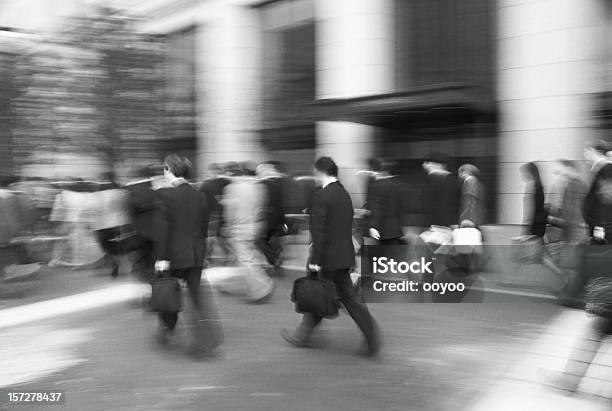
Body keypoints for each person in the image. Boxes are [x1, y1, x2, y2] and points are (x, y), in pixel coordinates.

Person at [281, 157, 380, 357]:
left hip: (327, 258)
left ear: (320, 172)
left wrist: (316, 261)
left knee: (317, 292)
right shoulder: (343, 194)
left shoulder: (322, 196)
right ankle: (372, 337)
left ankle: (303, 336)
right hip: (344, 256)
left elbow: (319, 233)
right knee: (347, 298)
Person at [153, 154, 223, 358]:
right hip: (195, 253)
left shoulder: (164, 194)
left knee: (167, 293)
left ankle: (166, 331)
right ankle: (206, 345)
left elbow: (162, 231)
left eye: (164, 169)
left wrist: (161, 259)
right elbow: (203, 228)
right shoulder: (199, 195)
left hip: (173, 255)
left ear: (168, 170)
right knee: (198, 299)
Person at [255, 161, 287, 269]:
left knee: (259, 241)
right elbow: (281, 202)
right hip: (277, 217)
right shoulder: (278, 184)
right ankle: (276, 251)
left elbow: (260, 202)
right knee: (270, 237)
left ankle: (274, 258)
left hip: (266, 217)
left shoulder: (262, 185)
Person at [368, 160, 404, 244]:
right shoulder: (396, 185)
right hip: (396, 229)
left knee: (383, 255)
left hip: (383, 230)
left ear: (375, 172)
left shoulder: (376, 186)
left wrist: (373, 226)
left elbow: (376, 208)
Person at [583, 142, 612, 243]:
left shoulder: (605, 170)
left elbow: (606, 199)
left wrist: (600, 226)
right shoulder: (601, 169)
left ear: (593, 151)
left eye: (586, 152)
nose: (584, 155)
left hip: (604, 229)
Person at [422, 155, 460, 228]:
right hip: (450, 221)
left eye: (426, 163)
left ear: (434, 164)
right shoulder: (452, 180)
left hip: (436, 222)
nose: (423, 165)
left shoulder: (430, 179)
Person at [519, 162, 547, 238]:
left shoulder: (530, 186)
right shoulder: (540, 187)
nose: (522, 175)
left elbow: (529, 209)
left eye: (523, 173)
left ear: (529, 173)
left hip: (532, 226)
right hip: (541, 225)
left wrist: (526, 228)